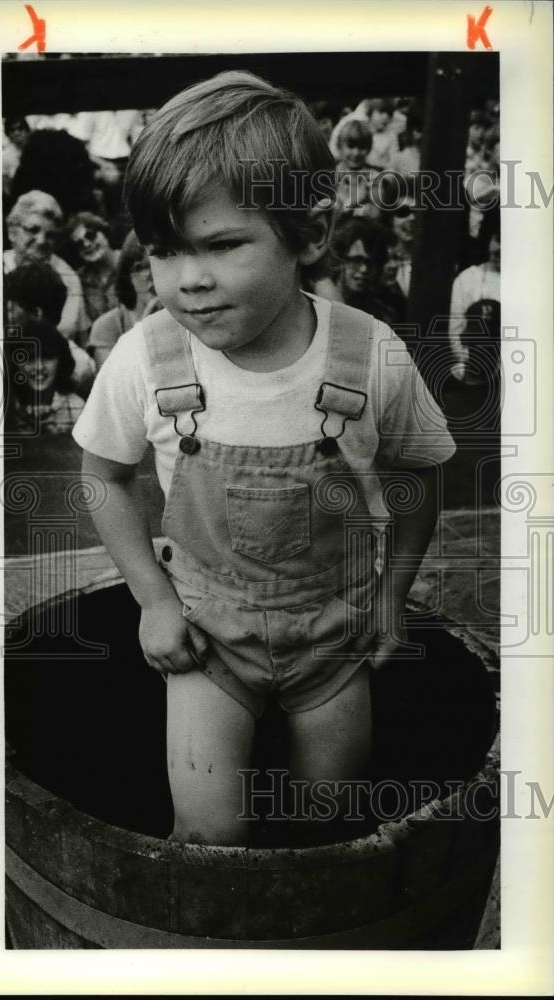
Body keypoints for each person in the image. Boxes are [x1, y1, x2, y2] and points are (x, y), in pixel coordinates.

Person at [73, 71, 456, 848]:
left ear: (308, 235)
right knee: (208, 829)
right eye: (164, 251)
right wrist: (153, 599)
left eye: (220, 245)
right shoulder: (148, 358)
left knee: (329, 823)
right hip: (206, 641)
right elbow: (103, 476)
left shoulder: (366, 353)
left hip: (334, 638)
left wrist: (391, 597)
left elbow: (421, 473)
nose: (188, 280)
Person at [4, 191, 90, 342]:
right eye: (33, 230)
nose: (41, 240)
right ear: (12, 232)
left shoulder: (68, 278)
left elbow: (82, 338)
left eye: (51, 235)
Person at [4, 262, 96, 396]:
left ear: (36, 314)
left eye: (11, 309)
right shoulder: (5, 351)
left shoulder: (81, 365)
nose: (7, 317)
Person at [87, 231, 162, 370]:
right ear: (127, 275)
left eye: (158, 264)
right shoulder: (106, 326)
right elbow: (113, 386)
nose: (151, 275)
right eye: (140, 268)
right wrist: (142, 331)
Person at [5, 317, 85, 435]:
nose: (39, 367)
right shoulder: (5, 408)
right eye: (29, 358)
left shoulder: (77, 408)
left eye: (47, 357)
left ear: (61, 360)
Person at [449, 207, 500, 385]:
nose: (500, 249)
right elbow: (456, 331)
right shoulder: (467, 279)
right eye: (497, 240)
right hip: (474, 376)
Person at [331, 215, 407, 324]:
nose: (364, 269)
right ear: (339, 260)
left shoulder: (385, 314)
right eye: (356, 260)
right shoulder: (318, 303)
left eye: (370, 262)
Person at [65, 212, 120, 325]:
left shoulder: (131, 263)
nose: (86, 244)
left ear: (104, 232)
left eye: (90, 235)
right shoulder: (79, 281)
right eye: (79, 244)